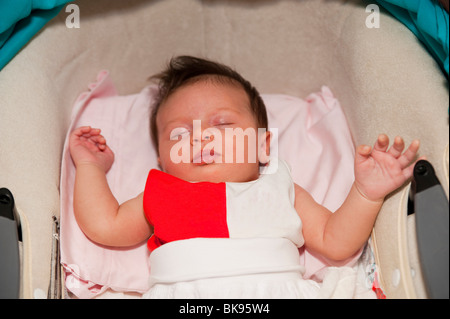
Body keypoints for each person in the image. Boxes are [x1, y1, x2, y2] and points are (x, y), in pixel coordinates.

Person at [69, 56, 421, 298]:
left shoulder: (281, 188)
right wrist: (89, 168)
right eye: (179, 134)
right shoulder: (159, 194)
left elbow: (336, 241)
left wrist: (366, 193)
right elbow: (104, 224)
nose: (200, 136)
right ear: (162, 161)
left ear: (262, 146)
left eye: (221, 124)